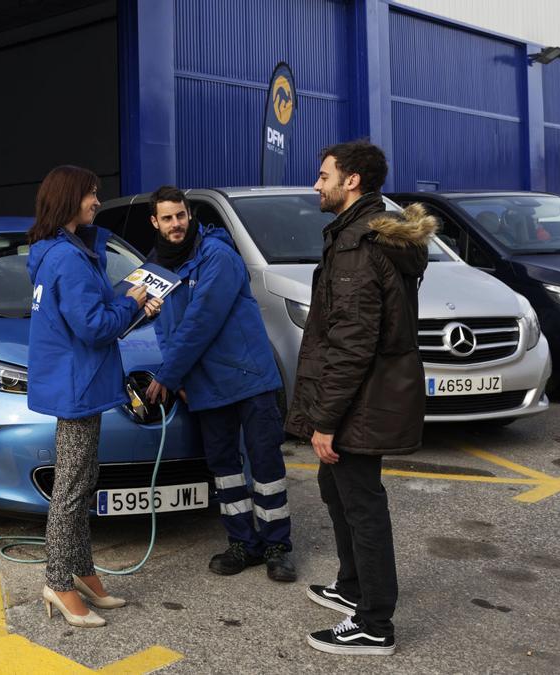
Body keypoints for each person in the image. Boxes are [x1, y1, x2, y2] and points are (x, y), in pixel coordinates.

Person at [285, 140, 435, 656]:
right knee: (336, 487)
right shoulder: (362, 233)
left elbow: (352, 342)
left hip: (362, 400)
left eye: (323, 175)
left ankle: (374, 623)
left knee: (362, 503)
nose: (316, 183)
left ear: (351, 181)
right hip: (364, 395)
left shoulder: (359, 244)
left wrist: (325, 420)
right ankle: (351, 587)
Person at [26, 165, 161, 628]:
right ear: (69, 199)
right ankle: (58, 583)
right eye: (91, 194)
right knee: (70, 489)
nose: (97, 202)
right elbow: (95, 326)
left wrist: (135, 305)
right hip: (78, 385)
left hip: (79, 381)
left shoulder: (64, 253)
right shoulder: (66, 259)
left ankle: (82, 572)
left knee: (82, 482)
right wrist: (134, 302)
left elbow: (98, 315)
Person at [141, 186, 296, 582]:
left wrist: (169, 375)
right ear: (155, 223)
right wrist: (179, 376)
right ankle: (242, 543)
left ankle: (277, 545)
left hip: (248, 378)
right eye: (167, 218)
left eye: (181, 216)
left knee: (265, 463)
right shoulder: (156, 267)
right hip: (206, 385)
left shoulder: (217, 255)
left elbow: (201, 321)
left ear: (190, 215)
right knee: (224, 468)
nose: (176, 224)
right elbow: (164, 330)